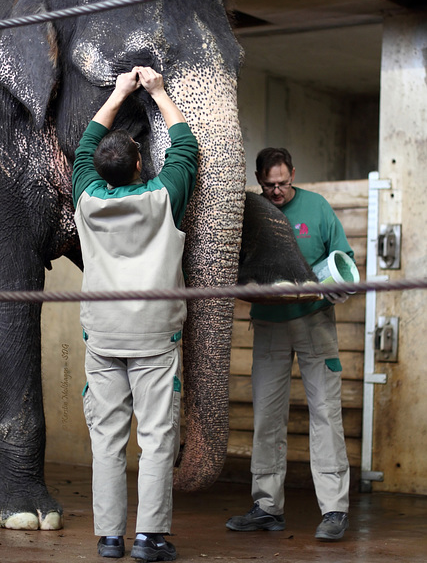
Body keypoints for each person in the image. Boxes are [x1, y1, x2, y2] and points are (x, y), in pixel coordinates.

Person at [72, 66, 198, 560]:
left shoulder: (86, 195)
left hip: (102, 338)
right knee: (156, 436)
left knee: (106, 439)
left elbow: (84, 148)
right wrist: (159, 93)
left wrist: (117, 93)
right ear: (142, 162)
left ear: (100, 170)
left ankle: (108, 538)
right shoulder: (163, 197)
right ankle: (149, 537)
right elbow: (187, 149)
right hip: (153, 340)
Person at [226, 147, 353, 541]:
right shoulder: (253, 212)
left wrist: (337, 286)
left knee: (326, 414)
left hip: (315, 322)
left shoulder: (318, 208)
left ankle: (334, 510)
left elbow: (344, 256)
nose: (277, 191)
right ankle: (267, 506)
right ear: (259, 180)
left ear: (293, 174)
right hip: (269, 325)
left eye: (283, 183)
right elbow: (235, 268)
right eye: (269, 185)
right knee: (266, 416)